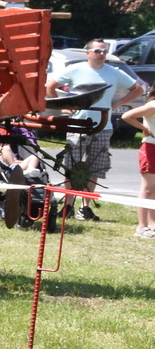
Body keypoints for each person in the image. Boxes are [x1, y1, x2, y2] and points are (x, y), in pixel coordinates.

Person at [45, 38, 147, 220]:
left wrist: (117, 104)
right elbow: (50, 87)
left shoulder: (113, 72)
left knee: (94, 168)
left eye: (104, 51)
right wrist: (64, 106)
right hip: (77, 125)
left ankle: (85, 207)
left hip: (103, 126)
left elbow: (138, 89)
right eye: (98, 51)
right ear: (89, 53)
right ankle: (67, 205)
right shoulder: (75, 69)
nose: (102, 54)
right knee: (72, 165)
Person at [122, 92, 155, 238]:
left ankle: (153, 226)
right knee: (147, 189)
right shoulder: (153, 105)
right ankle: (142, 227)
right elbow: (127, 116)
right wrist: (145, 129)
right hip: (150, 148)